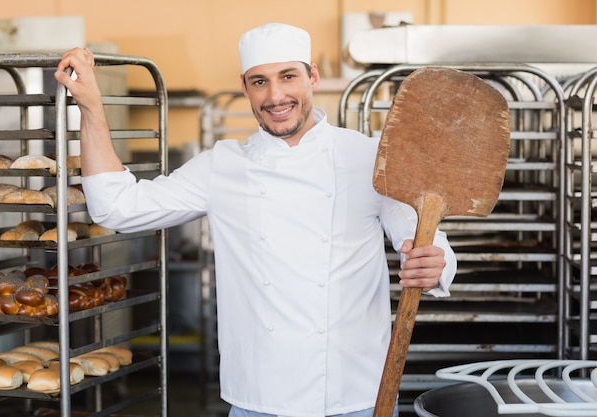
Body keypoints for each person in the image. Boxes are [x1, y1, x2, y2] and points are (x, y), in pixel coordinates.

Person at [55, 22, 456, 417]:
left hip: (354, 395)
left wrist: (434, 262)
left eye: (288, 76)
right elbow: (118, 207)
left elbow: (427, 243)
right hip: (259, 399)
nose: (275, 95)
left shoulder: (371, 159)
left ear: (311, 76)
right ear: (244, 87)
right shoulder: (222, 167)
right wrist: (91, 106)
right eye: (259, 81)